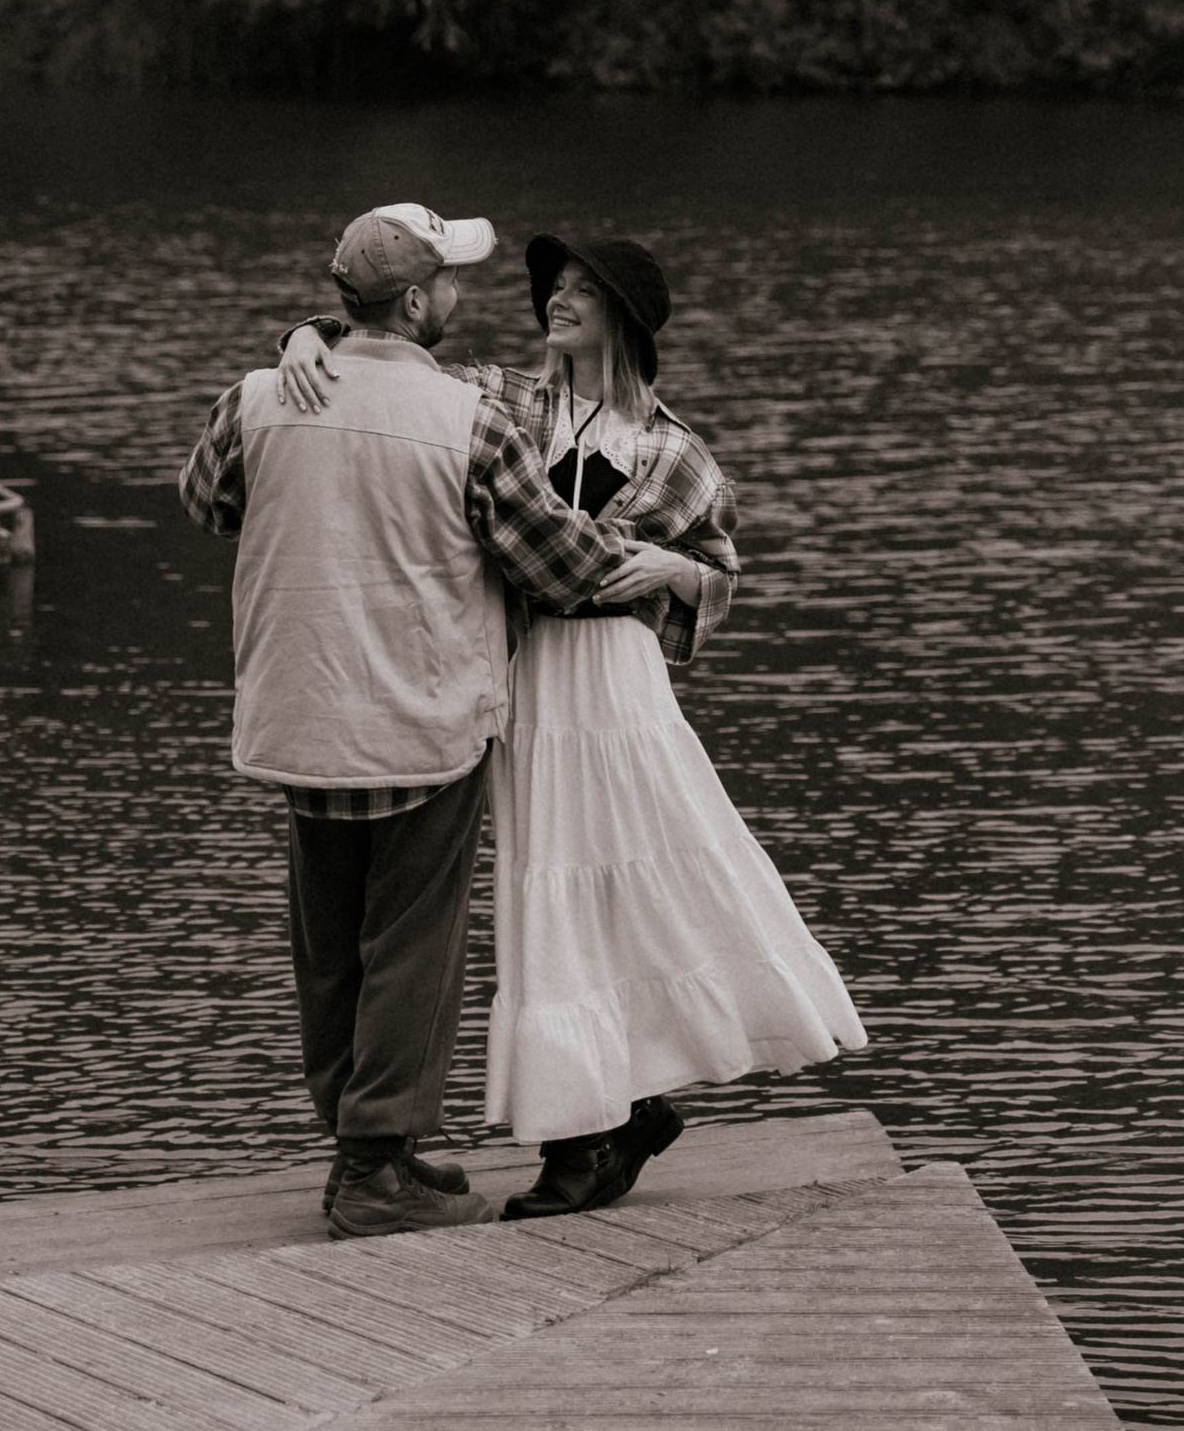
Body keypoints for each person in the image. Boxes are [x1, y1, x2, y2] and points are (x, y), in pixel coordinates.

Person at [277, 228, 864, 1221]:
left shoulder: (676, 450)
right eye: (555, 286)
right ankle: (604, 1120)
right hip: (516, 673)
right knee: (545, 884)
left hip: (614, 680)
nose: (557, 299)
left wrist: (682, 573)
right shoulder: (506, 400)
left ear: (624, 317)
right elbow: (387, 357)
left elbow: (721, 566)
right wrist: (306, 336)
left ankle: (596, 1128)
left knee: (628, 873)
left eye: (583, 290)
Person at [178, 200, 691, 1241]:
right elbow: (556, 565)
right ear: (415, 301)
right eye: (452, 278)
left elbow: (207, 501)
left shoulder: (256, 399)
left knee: (327, 946)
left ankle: (361, 1146)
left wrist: (295, 350)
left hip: (297, 719)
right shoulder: (472, 419)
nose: (465, 293)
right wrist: (674, 573)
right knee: (411, 944)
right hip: (419, 723)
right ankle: (377, 1167)